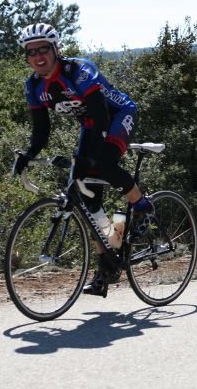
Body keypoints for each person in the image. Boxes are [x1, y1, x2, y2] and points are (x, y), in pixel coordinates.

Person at [12, 22, 153, 296]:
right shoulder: (34, 85)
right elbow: (41, 131)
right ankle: (107, 264)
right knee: (88, 199)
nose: (38, 56)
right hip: (90, 123)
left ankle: (144, 206)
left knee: (103, 163)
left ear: (56, 49)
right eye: (31, 52)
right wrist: (28, 155)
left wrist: (91, 159)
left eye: (44, 49)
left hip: (117, 114)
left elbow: (101, 114)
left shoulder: (79, 71)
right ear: (27, 57)